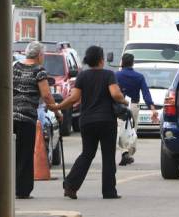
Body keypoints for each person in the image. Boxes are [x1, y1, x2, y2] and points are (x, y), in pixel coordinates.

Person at [49, 46, 128, 199]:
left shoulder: (82, 76)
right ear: (101, 60)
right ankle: (109, 191)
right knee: (108, 156)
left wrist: (58, 106)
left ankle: (71, 185)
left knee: (87, 153)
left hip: (87, 121)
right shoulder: (108, 75)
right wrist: (125, 101)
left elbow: (73, 98)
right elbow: (116, 94)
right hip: (106, 121)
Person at [13, 41, 62, 199]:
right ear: (39, 55)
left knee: (10, 153)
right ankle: (22, 190)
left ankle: (7, 186)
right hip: (26, 118)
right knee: (25, 154)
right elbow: (47, 95)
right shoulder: (39, 70)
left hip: (10, 117)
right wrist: (57, 110)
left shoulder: (15, 67)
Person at [115, 53, 159, 166]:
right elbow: (146, 93)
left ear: (122, 63)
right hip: (134, 106)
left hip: (120, 106)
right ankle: (128, 153)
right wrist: (152, 109)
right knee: (132, 130)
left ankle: (124, 152)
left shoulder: (116, 75)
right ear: (133, 63)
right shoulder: (139, 77)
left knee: (120, 130)